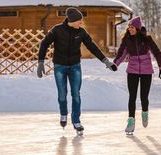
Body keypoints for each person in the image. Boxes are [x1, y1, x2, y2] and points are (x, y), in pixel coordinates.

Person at [37, 7, 117, 135]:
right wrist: (40, 62)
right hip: (60, 66)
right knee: (62, 94)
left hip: (75, 66)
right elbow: (44, 43)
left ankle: (76, 121)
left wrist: (106, 61)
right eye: (79, 21)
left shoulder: (81, 32)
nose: (81, 23)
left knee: (76, 94)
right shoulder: (57, 30)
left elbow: (92, 47)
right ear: (72, 20)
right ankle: (63, 114)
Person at [113, 16, 161, 134]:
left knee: (144, 97)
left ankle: (145, 113)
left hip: (146, 71)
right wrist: (115, 64)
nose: (130, 29)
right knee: (132, 97)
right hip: (132, 70)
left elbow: (157, 53)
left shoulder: (147, 40)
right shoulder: (127, 40)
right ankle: (131, 122)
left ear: (137, 28)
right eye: (129, 27)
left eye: (132, 27)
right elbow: (121, 55)